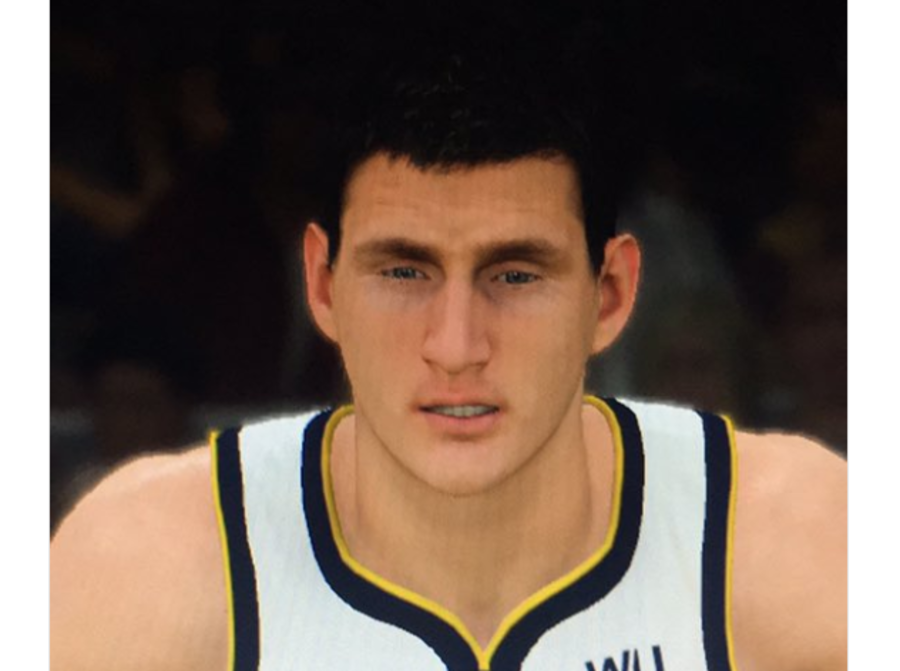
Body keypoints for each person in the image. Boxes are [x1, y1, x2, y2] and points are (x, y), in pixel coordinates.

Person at [50, 22, 846, 671]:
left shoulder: (791, 540)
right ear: (323, 286)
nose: (457, 345)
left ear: (610, 294)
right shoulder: (152, 563)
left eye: (515, 274)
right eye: (404, 271)